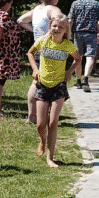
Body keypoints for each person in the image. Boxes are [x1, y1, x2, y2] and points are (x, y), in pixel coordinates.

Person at [27, 14, 81, 168]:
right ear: (50, 26)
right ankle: (42, 142)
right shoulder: (44, 41)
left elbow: (78, 59)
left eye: (61, 27)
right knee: (40, 124)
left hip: (59, 86)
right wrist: (35, 69)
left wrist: (69, 72)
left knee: (53, 122)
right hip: (43, 85)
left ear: (66, 31)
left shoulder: (68, 45)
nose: (57, 29)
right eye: (54, 26)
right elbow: (30, 53)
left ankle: (50, 158)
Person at [17, 0, 62, 124]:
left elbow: (21, 20)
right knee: (50, 83)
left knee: (36, 81)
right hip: (51, 50)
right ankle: (46, 115)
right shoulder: (53, 9)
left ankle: (31, 115)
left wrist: (35, 31)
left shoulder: (37, 9)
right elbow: (60, 20)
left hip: (38, 48)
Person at [69, 0, 99, 92]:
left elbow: (70, 20)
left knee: (78, 57)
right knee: (90, 56)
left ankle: (78, 81)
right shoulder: (97, 4)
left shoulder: (75, 4)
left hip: (78, 32)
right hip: (91, 33)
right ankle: (86, 78)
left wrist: (68, 33)